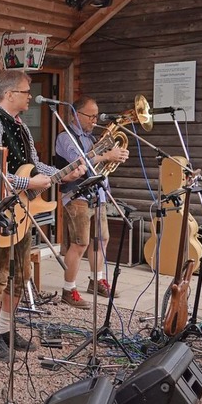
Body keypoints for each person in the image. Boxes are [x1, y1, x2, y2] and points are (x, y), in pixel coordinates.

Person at [0, 69, 86, 362]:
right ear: (10, 94)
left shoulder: (21, 127)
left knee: (20, 273)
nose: (29, 96)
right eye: (26, 92)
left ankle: (7, 330)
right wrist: (28, 183)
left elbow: (34, 165)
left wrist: (63, 173)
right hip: (2, 211)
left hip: (23, 211)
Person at [54, 96, 128, 308]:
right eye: (91, 116)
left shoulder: (90, 138)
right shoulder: (65, 137)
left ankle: (97, 281)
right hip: (77, 196)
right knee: (80, 243)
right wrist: (106, 156)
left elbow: (99, 164)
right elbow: (79, 163)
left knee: (101, 240)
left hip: (98, 194)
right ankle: (69, 290)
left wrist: (117, 156)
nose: (95, 120)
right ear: (76, 115)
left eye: (96, 115)